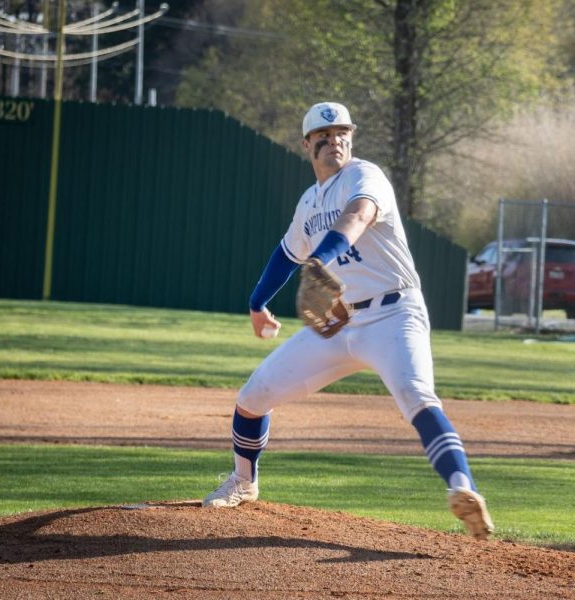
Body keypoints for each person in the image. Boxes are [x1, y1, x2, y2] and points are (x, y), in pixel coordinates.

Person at [202, 101, 494, 541]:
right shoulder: (309, 201)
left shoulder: (364, 176)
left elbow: (357, 217)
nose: (333, 141)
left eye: (341, 133)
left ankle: (463, 489)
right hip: (338, 322)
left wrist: (320, 259)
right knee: (252, 397)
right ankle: (243, 482)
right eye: (323, 136)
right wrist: (257, 302)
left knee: (418, 396)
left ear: (351, 139)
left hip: (395, 314)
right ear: (307, 146)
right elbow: (285, 255)